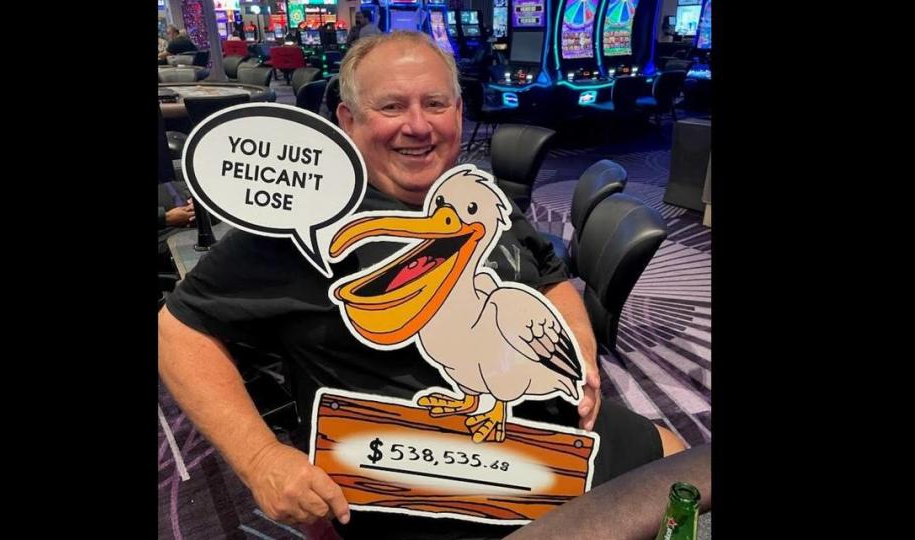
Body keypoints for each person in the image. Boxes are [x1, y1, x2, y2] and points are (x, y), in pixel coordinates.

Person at [158, 31, 686, 539]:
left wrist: (579, 352)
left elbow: (550, 276)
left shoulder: (475, 194)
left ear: (459, 112)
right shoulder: (304, 225)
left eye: (435, 104)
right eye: (391, 107)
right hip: (426, 485)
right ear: (348, 119)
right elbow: (176, 331)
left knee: (683, 462)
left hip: (542, 424)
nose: (418, 126)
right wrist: (260, 458)